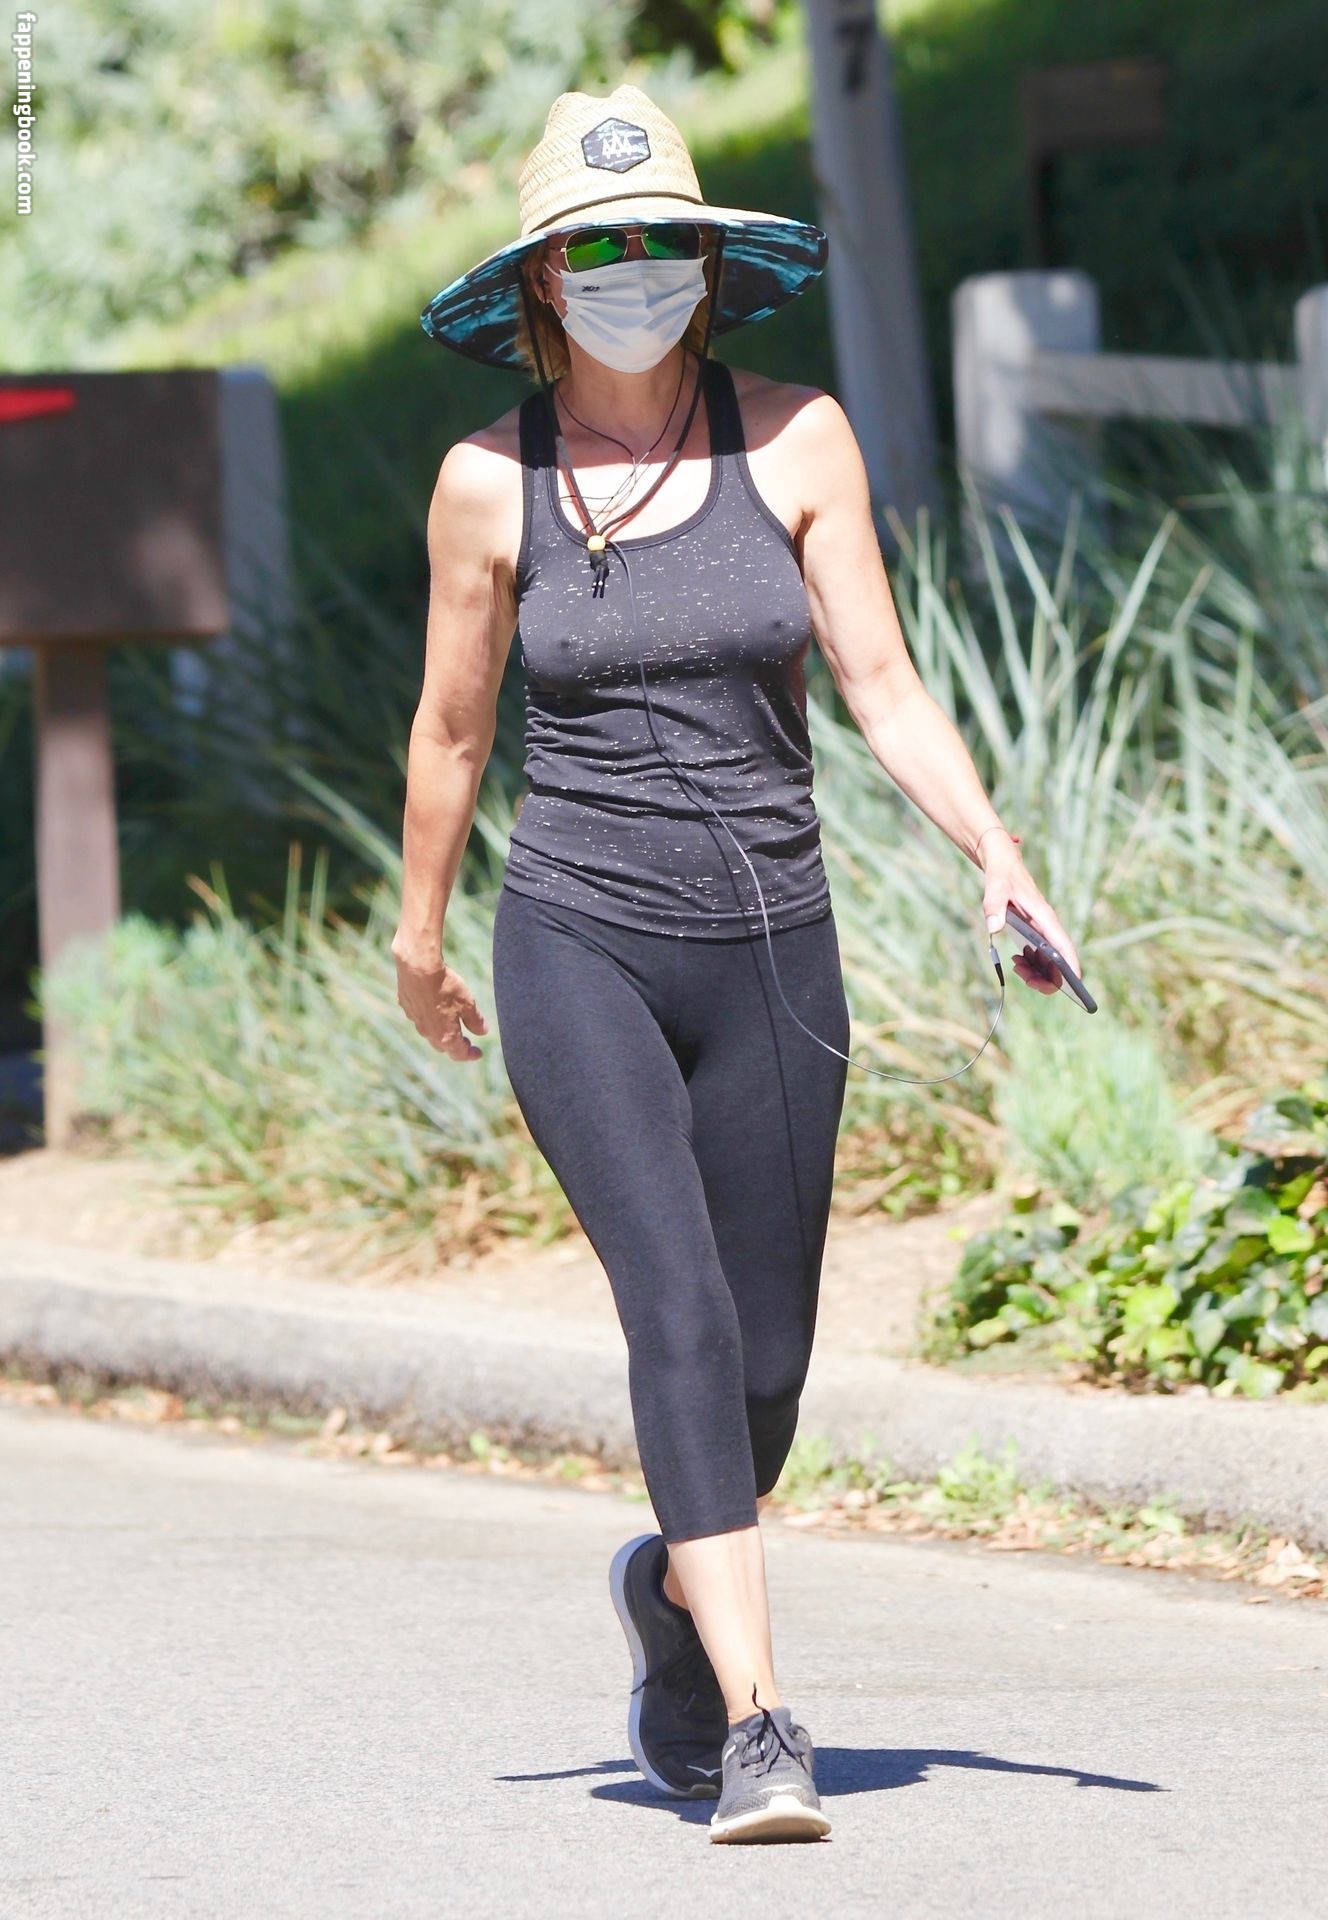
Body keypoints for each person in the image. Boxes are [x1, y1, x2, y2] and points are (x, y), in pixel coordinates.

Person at [394, 82, 1080, 1845]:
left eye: (664, 242)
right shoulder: (487, 485)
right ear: (543, 283)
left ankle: (676, 1596)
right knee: (682, 1318)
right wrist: (419, 937)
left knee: (766, 1361)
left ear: (708, 267)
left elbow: (884, 685)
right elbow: (453, 733)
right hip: (580, 941)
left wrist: (997, 854)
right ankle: (764, 1723)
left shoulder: (798, 440)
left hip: (776, 943)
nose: (637, 270)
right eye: (600, 246)